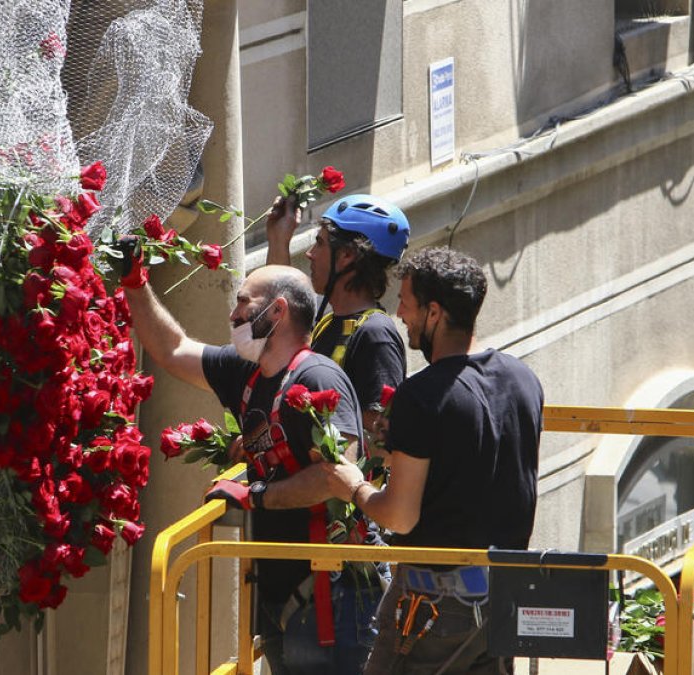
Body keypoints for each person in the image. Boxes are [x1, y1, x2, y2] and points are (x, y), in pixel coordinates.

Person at [118, 262, 366, 674]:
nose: (233, 315)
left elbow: (338, 477)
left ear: (276, 312)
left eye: (242, 303)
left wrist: (257, 496)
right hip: (275, 591)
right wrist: (134, 281)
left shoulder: (319, 377)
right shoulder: (246, 372)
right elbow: (173, 350)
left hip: (327, 596)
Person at [318, 246, 545, 675]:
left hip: (435, 608)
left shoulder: (422, 397)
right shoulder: (523, 379)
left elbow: (400, 517)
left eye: (406, 302)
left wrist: (353, 485)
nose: (400, 313)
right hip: (505, 599)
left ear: (434, 312)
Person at [266, 193, 409, 455]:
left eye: (319, 243)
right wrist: (278, 239)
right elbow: (280, 319)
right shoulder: (329, 321)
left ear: (346, 256)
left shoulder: (375, 334)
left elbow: (380, 441)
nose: (310, 254)